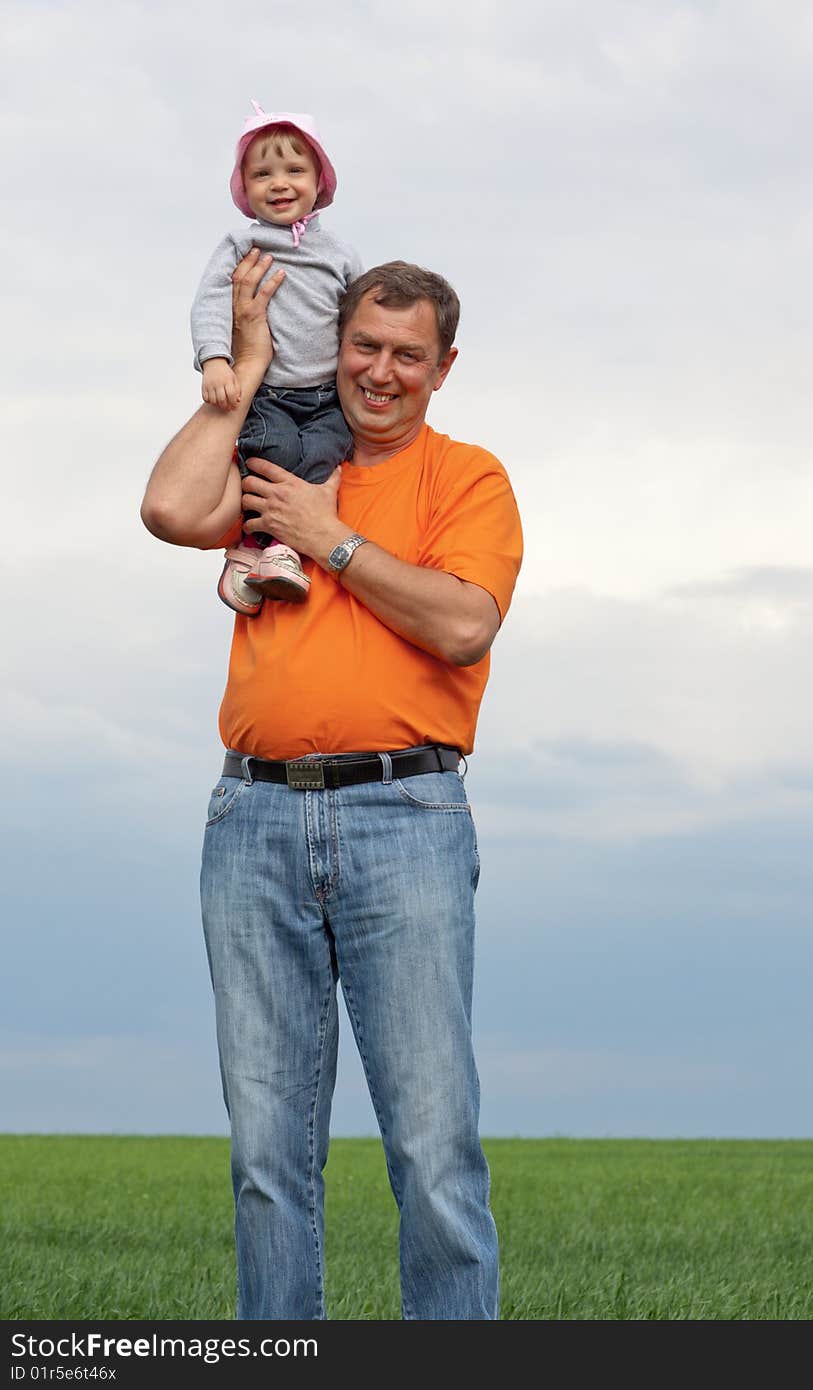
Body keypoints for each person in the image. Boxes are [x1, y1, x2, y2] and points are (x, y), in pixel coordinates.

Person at [141, 254, 523, 1320]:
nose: (381, 371)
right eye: (364, 345)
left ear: (444, 368)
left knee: (431, 1140)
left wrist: (330, 540)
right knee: (267, 1149)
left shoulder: (465, 477)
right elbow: (170, 508)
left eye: (408, 354)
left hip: (406, 817)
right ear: (337, 344)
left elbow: (462, 622)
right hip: (251, 816)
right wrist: (246, 365)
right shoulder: (282, 454)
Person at [191, 99, 362, 614]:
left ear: (319, 181)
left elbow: (358, 314)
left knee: (328, 455)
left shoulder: (339, 252)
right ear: (245, 189)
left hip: (327, 392)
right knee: (275, 453)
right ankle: (255, 548)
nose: (279, 183)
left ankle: (269, 550)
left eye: (294, 170)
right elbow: (210, 302)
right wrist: (216, 359)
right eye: (262, 174)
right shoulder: (240, 244)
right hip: (270, 391)